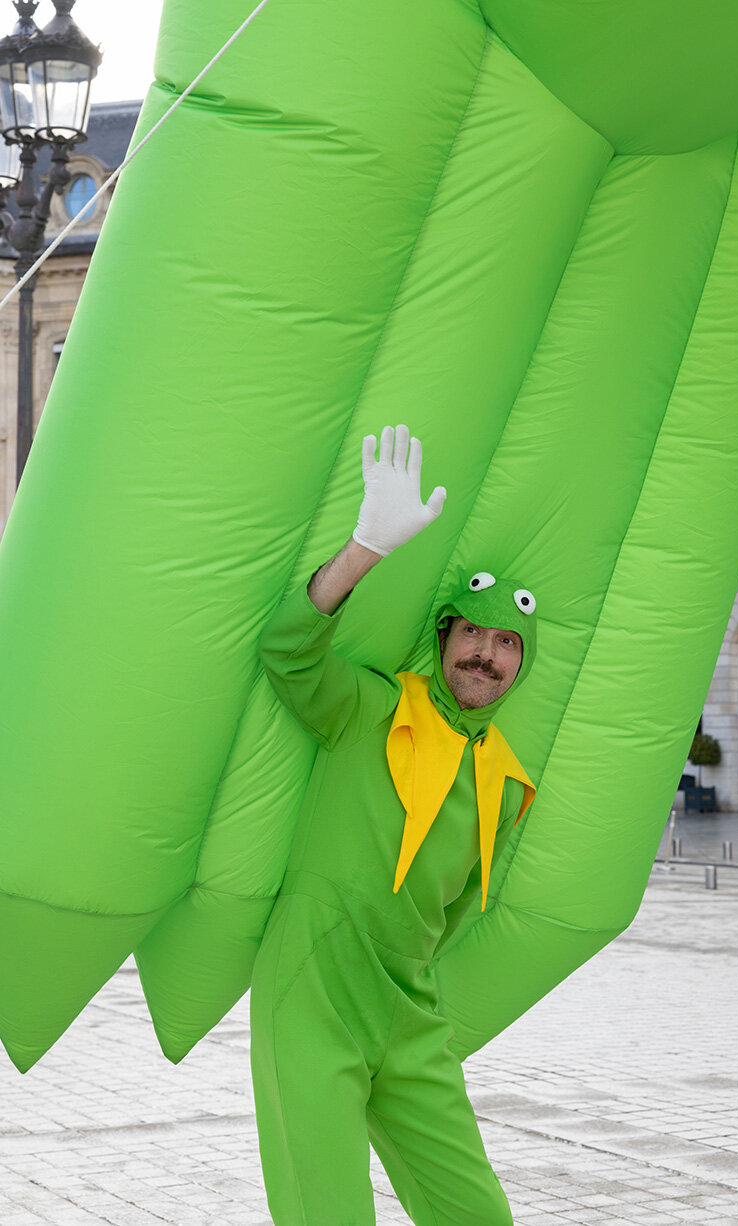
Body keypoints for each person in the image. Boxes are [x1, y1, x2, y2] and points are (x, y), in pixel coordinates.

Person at [250, 424, 538, 1225]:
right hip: (312, 994)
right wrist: (364, 550)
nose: (485, 654)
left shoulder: (509, 784)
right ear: (443, 639)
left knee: (480, 1217)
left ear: (522, 662)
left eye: (506, 642)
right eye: (471, 634)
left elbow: (449, 920)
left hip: (410, 1016)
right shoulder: (375, 709)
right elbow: (287, 650)